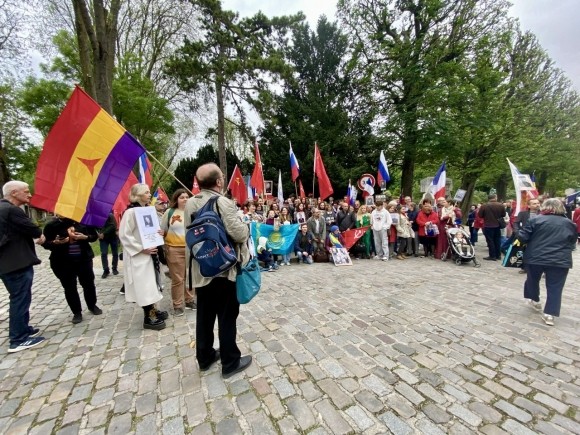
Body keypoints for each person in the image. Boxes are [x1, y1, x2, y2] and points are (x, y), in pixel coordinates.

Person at [184, 163, 252, 378]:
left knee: (204, 316)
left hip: (201, 268)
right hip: (224, 269)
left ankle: (204, 358)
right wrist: (247, 225)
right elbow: (239, 234)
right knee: (226, 316)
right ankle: (230, 362)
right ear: (219, 181)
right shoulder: (223, 202)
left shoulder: (189, 204)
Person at [0, 181, 46, 353]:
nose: (29, 195)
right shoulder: (11, 210)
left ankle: (23, 328)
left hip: (9, 263)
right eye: (26, 192)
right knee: (20, 298)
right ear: (13, 192)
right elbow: (32, 228)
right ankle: (18, 338)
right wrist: (39, 235)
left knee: (21, 297)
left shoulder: (2, 209)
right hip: (15, 263)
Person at [518, 199, 577, 326]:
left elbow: (523, 237)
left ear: (544, 207)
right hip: (560, 259)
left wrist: (517, 231)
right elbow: (572, 242)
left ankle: (534, 300)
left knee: (532, 279)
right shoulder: (569, 223)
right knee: (555, 287)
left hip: (535, 257)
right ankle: (550, 314)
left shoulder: (535, 220)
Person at [119, 184, 167, 331]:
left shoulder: (147, 210)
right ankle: (149, 316)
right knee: (145, 286)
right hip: (140, 256)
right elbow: (124, 235)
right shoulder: (131, 213)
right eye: (146, 193)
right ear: (138, 195)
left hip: (151, 253)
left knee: (153, 284)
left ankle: (155, 310)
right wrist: (141, 248)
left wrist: (158, 233)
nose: (149, 195)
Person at [43, 216, 102, 324]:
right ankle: (77, 312)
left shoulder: (84, 221)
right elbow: (45, 243)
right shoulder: (52, 225)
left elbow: (93, 237)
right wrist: (56, 243)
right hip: (63, 262)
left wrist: (85, 237)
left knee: (88, 284)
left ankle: (92, 305)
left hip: (83, 259)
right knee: (70, 287)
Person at [161, 188, 196, 317]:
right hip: (174, 249)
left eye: (187, 197)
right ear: (176, 199)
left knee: (190, 276)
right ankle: (177, 304)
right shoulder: (170, 212)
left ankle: (190, 300)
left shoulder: (193, 212)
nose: (185, 199)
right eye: (182, 197)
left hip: (190, 249)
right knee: (178, 278)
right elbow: (163, 230)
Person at [478, 194, 506, 261]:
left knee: (490, 241)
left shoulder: (484, 206)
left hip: (488, 225)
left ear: (488, 198)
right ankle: (498, 255)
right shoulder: (501, 205)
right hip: (497, 225)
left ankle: (492, 256)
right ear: (495, 198)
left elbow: (480, 215)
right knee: (497, 240)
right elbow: (503, 214)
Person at [98, 211, 119, 278]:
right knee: (104, 253)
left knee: (115, 253)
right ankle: (106, 270)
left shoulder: (110, 215)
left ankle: (114, 268)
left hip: (112, 237)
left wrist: (104, 233)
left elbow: (113, 226)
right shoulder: (96, 217)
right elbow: (94, 227)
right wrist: (98, 234)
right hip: (103, 239)